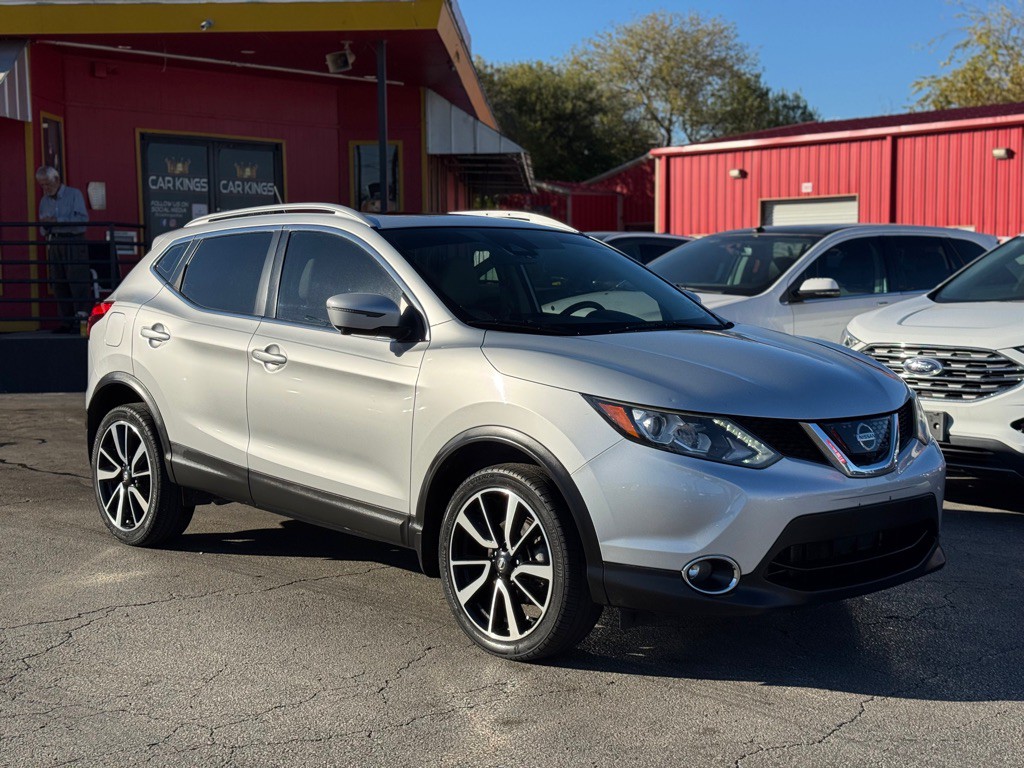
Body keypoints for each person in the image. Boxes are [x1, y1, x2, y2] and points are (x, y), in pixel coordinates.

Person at [36, 166, 90, 332]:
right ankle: (66, 323)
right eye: (42, 185)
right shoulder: (44, 201)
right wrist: (47, 225)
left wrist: (57, 220)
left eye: (47, 184)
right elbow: (42, 228)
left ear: (57, 180)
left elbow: (82, 221)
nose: (45, 188)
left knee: (77, 280)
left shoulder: (74, 194)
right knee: (59, 283)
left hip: (73, 241)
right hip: (54, 243)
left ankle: (81, 322)